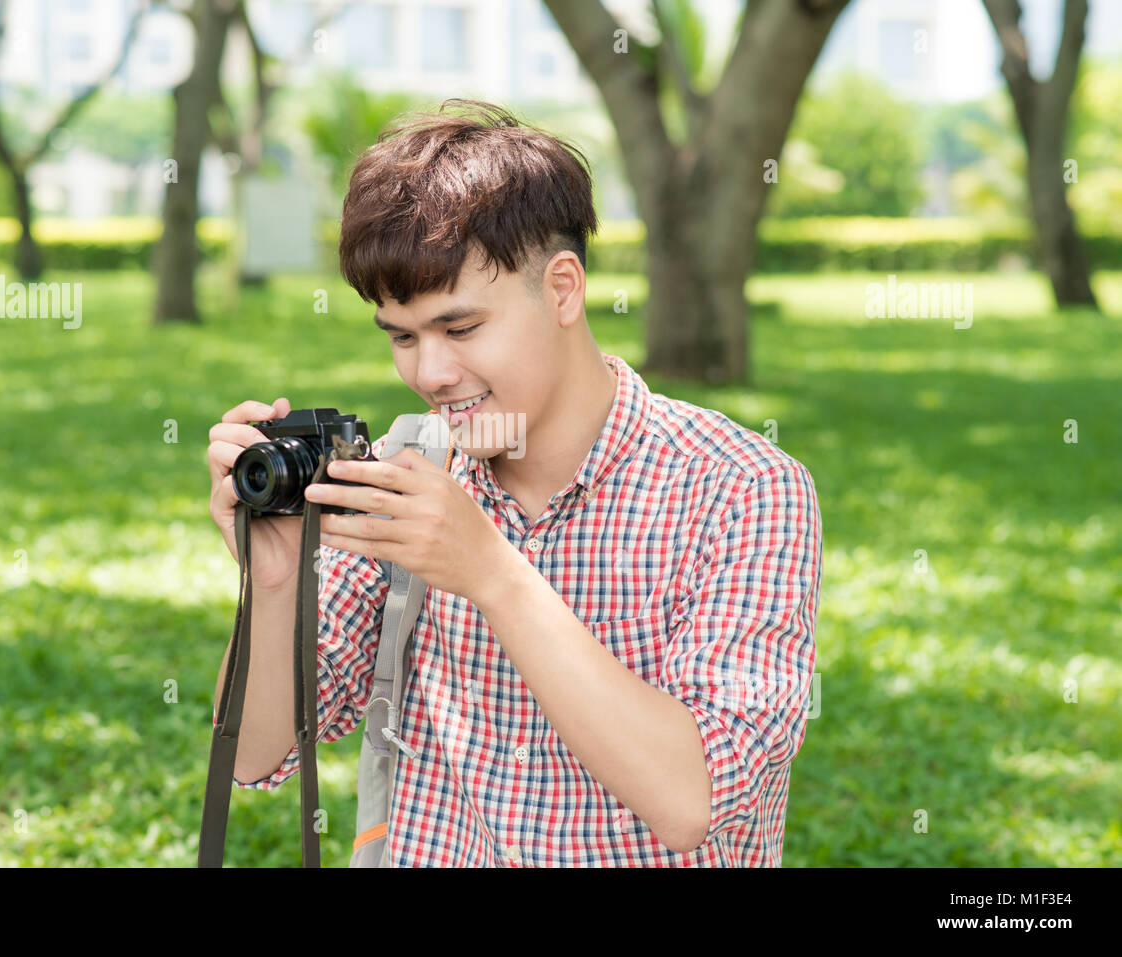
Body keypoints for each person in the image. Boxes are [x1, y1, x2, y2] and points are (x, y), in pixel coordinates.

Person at [207, 99, 822, 867]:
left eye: (460, 328)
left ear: (564, 288)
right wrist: (272, 582)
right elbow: (256, 751)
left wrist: (492, 572)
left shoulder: (743, 490)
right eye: (402, 335)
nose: (430, 373)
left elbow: (691, 798)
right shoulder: (409, 467)